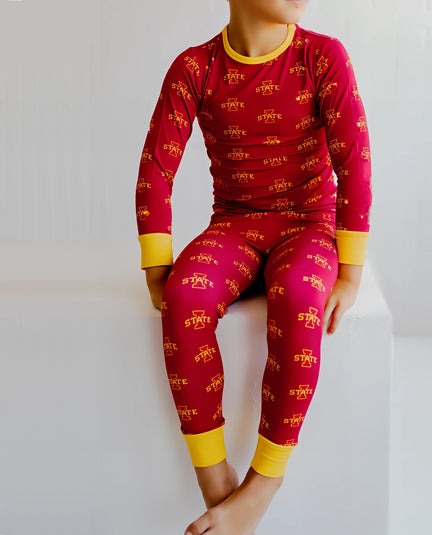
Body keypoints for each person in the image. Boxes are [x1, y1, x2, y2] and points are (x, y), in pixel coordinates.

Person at [135, 0, 372, 533]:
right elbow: (155, 170)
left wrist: (350, 271)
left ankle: (264, 483)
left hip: (310, 226)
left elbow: (355, 163)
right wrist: (157, 267)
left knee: (298, 297)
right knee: (184, 298)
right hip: (235, 224)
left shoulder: (323, 57)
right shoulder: (195, 68)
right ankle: (216, 482)